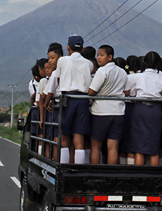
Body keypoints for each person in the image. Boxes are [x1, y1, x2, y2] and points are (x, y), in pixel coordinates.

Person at [47, 35, 93, 164]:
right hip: (83, 100)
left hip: (67, 99)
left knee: (64, 137)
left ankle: (64, 167)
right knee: (79, 140)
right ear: (82, 48)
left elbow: (59, 79)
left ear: (68, 47)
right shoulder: (89, 64)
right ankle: (78, 168)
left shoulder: (63, 61)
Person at [88, 45, 129, 164]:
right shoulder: (122, 71)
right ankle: (111, 175)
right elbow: (127, 92)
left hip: (101, 112)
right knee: (113, 147)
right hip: (118, 112)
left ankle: (93, 172)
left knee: (95, 145)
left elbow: (91, 92)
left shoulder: (102, 71)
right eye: (98, 55)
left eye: (102, 55)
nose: (98, 58)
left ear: (110, 57)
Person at [128, 51, 162, 166]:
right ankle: (155, 178)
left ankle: (138, 177)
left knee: (139, 147)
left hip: (140, 109)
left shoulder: (137, 77)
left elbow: (132, 93)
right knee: (154, 148)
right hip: (155, 110)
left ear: (144, 62)